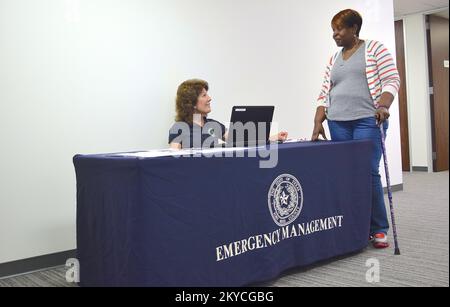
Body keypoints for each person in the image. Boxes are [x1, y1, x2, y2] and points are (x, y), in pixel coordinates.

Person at [311, 9, 400, 249]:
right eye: (333, 30)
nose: (335, 34)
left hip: (367, 120)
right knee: (345, 173)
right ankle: (353, 226)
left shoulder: (374, 49)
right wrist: (319, 119)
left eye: (339, 29)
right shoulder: (334, 58)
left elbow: (392, 80)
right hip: (338, 121)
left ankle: (378, 229)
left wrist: (384, 105)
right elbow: (324, 91)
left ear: (354, 29)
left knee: (367, 171)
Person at [169, 79, 288, 149]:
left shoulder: (215, 125)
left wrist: (273, 138)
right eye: (204, 95)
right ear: (192, 103)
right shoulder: (179, 128)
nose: (209, 98)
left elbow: (243, 140)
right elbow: (174, 161)